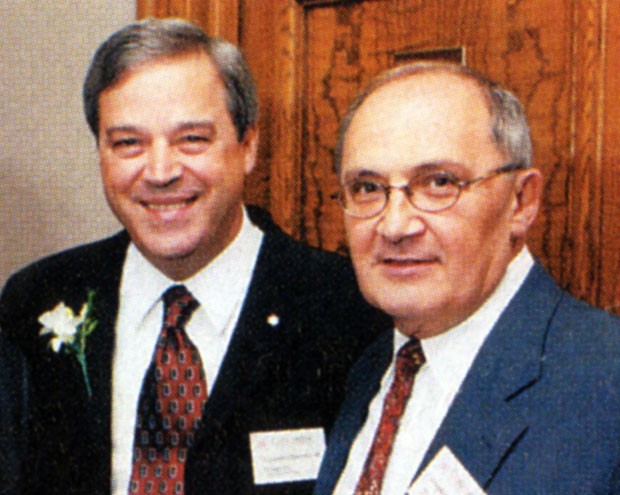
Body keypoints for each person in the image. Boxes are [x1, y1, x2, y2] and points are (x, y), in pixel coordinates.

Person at [0, 18, 390, 495]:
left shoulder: (348, 309)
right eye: (128, 144)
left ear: (248, 146)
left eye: (192, 140)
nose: (161, 171)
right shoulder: (37, 300)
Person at [313, 61, 620, 495]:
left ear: (521, 202)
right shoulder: (371, 367)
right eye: (367, 188)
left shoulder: (606, 381)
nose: (395, 225)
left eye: (439, 182)